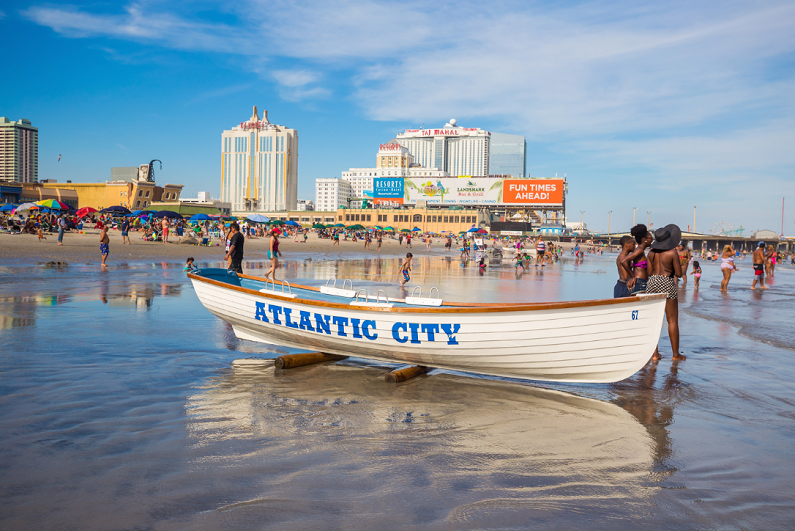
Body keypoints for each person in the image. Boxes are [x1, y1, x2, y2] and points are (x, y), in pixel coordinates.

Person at [647, 224, 684, 360]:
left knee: (654, 320)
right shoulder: (672, 253)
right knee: (672, 321)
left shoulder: (651, 253)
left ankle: (655, 354)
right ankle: (675, 354)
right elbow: (679, 274)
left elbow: (649, 272)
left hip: (652, 283)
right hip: (667, 282)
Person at [622, 224, 653, 295]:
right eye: (650, 238)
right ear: (644, 240)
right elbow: (623, 261)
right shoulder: (639, 251)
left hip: (640, 282)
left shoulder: (639, 250)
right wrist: (632, 277)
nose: (651, 239)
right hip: (639, 283)